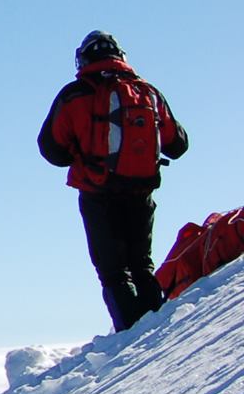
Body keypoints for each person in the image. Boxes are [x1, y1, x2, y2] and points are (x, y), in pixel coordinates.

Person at [38, 31, 190, 332]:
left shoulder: (75, 94)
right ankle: (156, 330)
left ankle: (131, 338)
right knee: (141, 265)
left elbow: (51, 149)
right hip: (141, 189)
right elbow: (178, 145)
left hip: (97, 192)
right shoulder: (148, 93)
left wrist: (84, 152)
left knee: (113, 272)